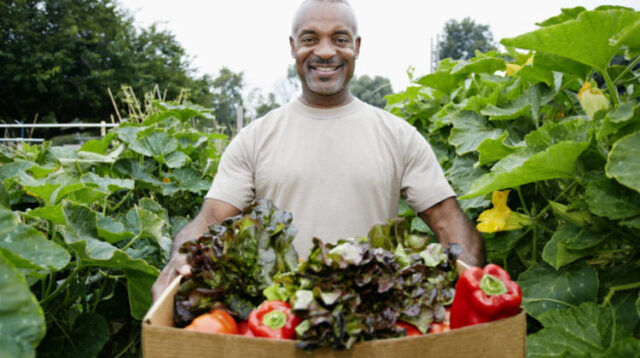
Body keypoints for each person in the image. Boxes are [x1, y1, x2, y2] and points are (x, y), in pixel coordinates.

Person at [151, 0, 484, 302]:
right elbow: (209, 221)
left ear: (356, 46)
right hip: (277, 323)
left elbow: (448, 222)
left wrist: (470, 287)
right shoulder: (255, 139)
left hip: (374, 322)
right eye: (310, 39)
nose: (325, 51)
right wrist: (181, 258)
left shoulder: (399, 136)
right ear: (293, 46)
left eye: (339, 39)